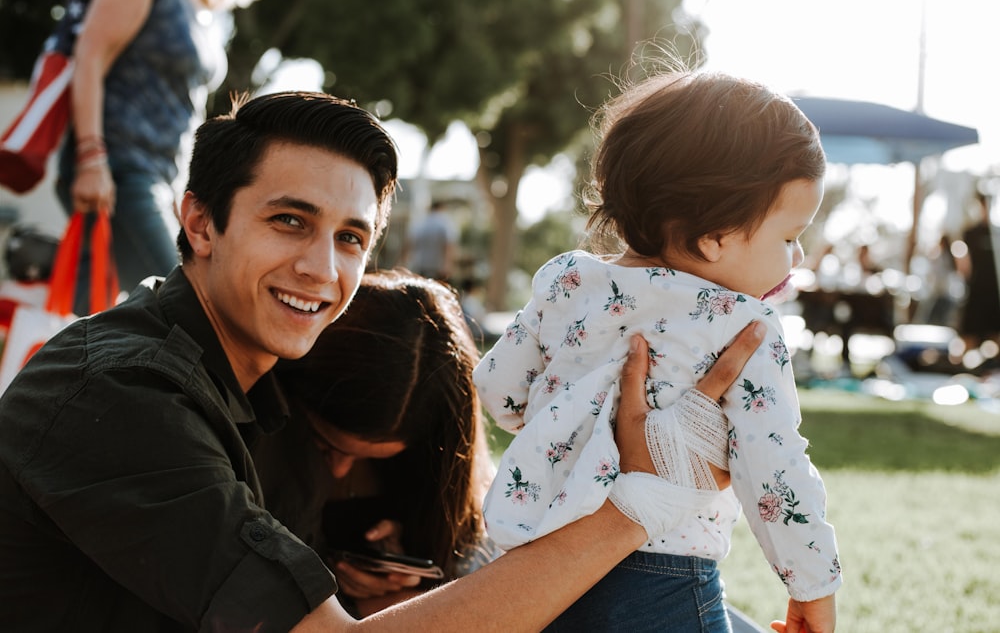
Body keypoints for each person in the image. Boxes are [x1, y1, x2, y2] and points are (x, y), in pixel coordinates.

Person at [0, 89, 768, 632]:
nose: (320, 268)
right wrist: (636, 505)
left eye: (350, 239)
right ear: (200, 222)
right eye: (288, 220)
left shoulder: (255, 383)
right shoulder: (123, 389)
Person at [474, 71, 842, 633]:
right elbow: (776, 466)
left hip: (541, 566)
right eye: (789, 237)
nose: (795, 258)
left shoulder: (567, 281)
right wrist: (813, 589)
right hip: (661, 581)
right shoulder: (743, 326)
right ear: (714, 235)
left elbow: (498, 389)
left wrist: (571, 429)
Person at [253, 269, 500, 617]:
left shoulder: (452, 487)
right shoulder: (253, 445)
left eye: (374, 460)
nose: (339, 470)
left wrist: (406, 566)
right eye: (326, 445)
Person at [56, 0, 259, 314]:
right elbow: (89, 55)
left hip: (162, 178)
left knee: (97, 319)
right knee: (189, 307)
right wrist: (91, 158)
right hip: (119, 169)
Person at [956, 192, 1000, 352]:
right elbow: (963, 267)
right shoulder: (970, 233)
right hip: (977, 293)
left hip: (995, 294)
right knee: (969, 337)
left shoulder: (997, 233)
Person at [402, 199, 458, 281]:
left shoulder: (420, 222)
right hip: (438, 268)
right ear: (442, 208)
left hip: (420, 266)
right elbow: (448, 245)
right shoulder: (445, 222)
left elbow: (409, 244)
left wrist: (404, 264)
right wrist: (447, 265)